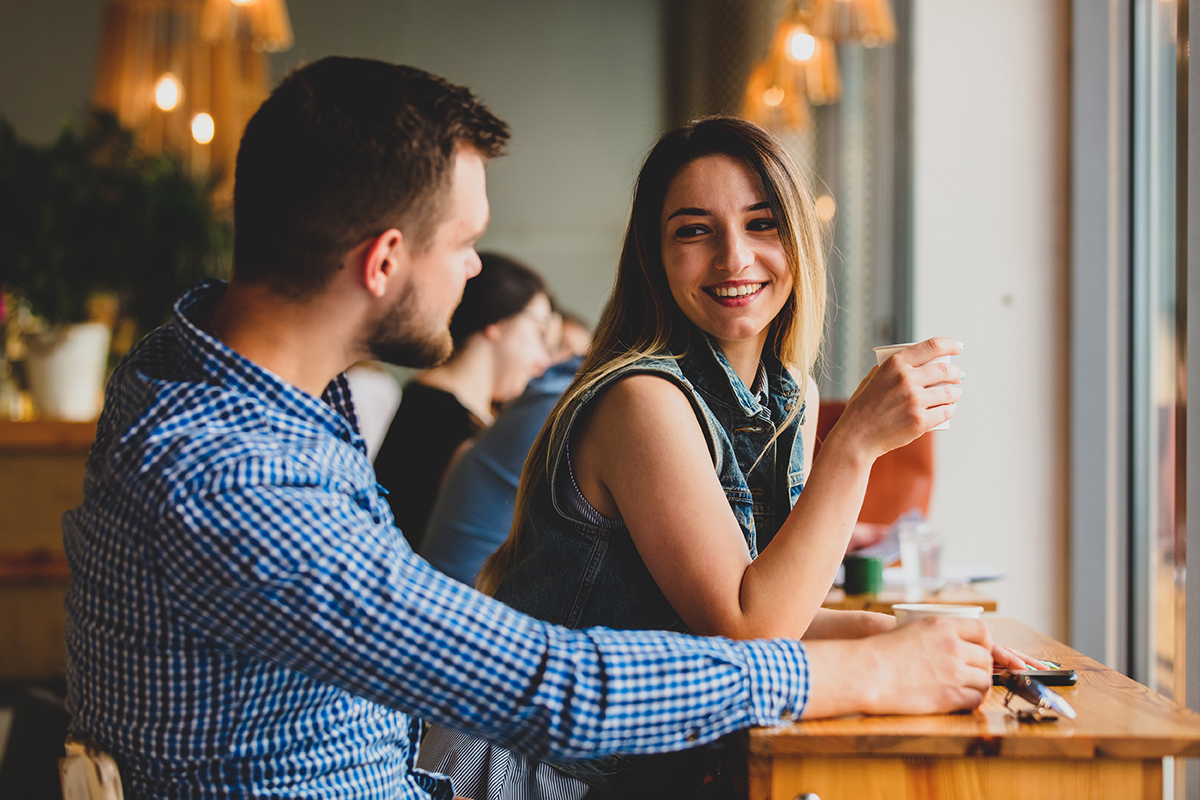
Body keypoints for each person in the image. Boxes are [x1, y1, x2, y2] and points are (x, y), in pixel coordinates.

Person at [62, 58, 1008, 800]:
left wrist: (892, 644)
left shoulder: (212, 382)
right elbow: (556, 688)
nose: (478, 272)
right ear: (385, 261)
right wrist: (860, 676)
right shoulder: (237, 475)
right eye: (466, 242)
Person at [423, 116, 1037, 797]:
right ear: (654, 256)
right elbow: (749, 631)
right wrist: (856, 442)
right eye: (694, 230)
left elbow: (779, 614)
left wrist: (929, 640)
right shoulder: (642, 400)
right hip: (534, 770)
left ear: (798, 240)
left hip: (636, 761)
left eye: (761, 223)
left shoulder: (787, 396)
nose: (734, 258)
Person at [374, 251, 554, 547]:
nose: (542, 359)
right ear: (498, 320)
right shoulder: (435, 416)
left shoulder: (449, 407)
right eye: (540, 332)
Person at [420, 313, 591, 586]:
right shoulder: (564, 401)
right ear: (496, 325)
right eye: (543, 337)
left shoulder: (545, 398)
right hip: (458, 599)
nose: (542, 361)